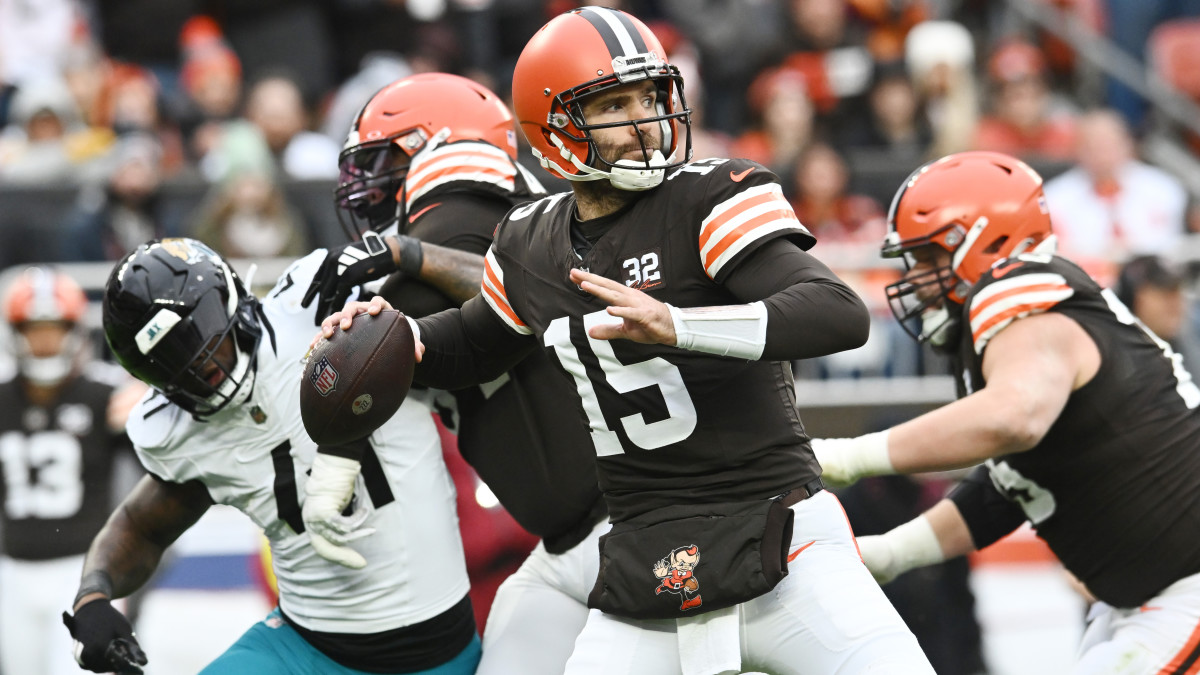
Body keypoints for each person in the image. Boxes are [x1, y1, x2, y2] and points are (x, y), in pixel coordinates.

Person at [317, 8, 934, 674]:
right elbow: (474, 341)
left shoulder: (710, 196)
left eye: (651, 96)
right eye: (613, 105)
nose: (645, 121)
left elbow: (836, 312)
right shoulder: (531, 242)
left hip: (778, 537)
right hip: (644, 565)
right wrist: (390, 338)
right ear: (551, 131)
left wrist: (681, 325)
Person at [812, 150, 1200, 672]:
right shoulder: (1009, 336)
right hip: (1145, 596)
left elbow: (1013, 417)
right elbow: (1006, 489)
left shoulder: (1018, 287)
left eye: (928, 258)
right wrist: (889, 554)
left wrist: (846, 457)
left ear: (986, 241)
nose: (917, 279)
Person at [299, 71, 608, 675]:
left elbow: (528, 292)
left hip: (630, 524)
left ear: (432, 144)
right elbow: (390, 354)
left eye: (383, 159)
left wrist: (409, 254)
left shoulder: (468, 217)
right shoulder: (454, 240)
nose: (370, 185)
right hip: (567, 545)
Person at [61, 238, 479, 674]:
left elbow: (511, 295)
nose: (197, 366)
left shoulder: (320, 302)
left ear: (229, 298)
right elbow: (140, 525)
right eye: (168, 361)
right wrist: (93, 595)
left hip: (440, 651)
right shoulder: (178, 432)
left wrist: (406, 253)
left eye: (198, 338)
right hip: (302, 648)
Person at [0, 267, 142, 675]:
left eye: (54, 328)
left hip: (80, 571)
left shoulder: (105, 393)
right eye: (34, 329)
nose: (45, 341)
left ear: (73, 331)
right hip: (13, 569)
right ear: (16, 333)